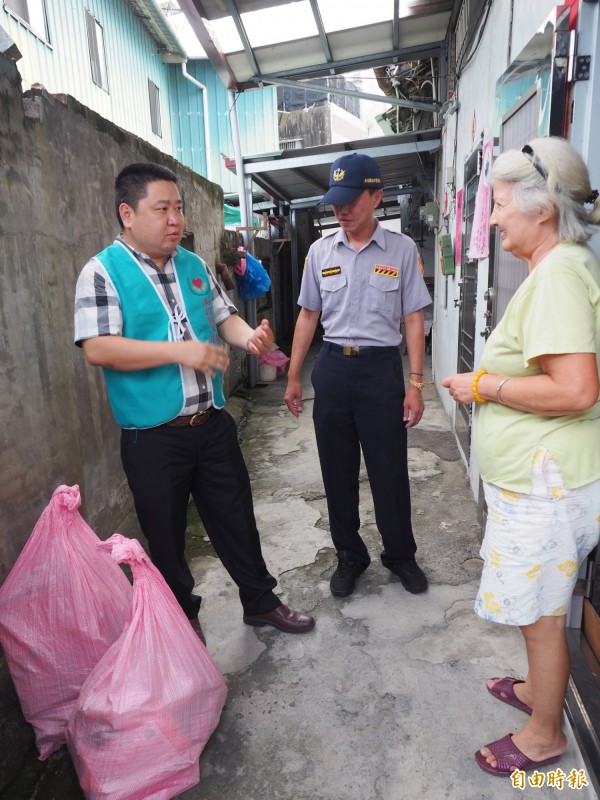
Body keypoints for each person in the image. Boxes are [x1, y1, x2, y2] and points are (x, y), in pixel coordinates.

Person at [74, 162, 315, 643]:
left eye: (178, 208)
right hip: (153, 437)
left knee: (237, 519)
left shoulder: (194, 265)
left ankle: (260, 602)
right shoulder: (102, 272)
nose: (175, 220)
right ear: (127, 213)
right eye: (161, 209)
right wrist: (178, 351)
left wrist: (252, 340)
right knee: (166, 541)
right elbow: (98, 347)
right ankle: (182, 623)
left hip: (212, 423)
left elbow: (224, 318)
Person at [442, 137, 600, 777]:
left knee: (539, 613)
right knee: (540, 602)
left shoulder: (559, 274)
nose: (495, 218)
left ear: (540, 209)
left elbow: (576, 389)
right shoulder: (558, 267)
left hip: (547, 489)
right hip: (544, 481)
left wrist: (482, 385)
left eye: (501, 204)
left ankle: (544, 736)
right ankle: (540, 692)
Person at [284, 152, 431, 598]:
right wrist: (293, 377)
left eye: (351, 200)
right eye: (335, 202)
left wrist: (416, 383)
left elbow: (412, 319)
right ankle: (350, 557)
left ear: (376, 197)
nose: (341, 210)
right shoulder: (320, 251)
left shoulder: (402, 250)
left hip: (381, 372)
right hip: (332, 370)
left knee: (388, 470)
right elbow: (309, 315)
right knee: (337, 471)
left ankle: (400, 556)